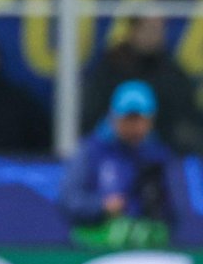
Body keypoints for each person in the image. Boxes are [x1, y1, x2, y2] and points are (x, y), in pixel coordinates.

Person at [60, 81, 176, 249]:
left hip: (145, 250)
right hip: (94, 248)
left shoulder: (159, 156)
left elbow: (177, 211)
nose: (135, 127)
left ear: (151, 120)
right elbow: (69, 200)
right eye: (128, 119)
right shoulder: (91, 151)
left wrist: (156, 208)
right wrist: (102, 206)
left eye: (140, 120)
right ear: (114, 117)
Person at [81, 12, 201, 154]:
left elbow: (187, 112)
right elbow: (93, 113)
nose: (155, 35)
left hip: (164, 145)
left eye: (159, 29)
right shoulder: (113, 65)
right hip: (114, 146)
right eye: (150, 28)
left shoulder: (170, 70)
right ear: (134, 30)